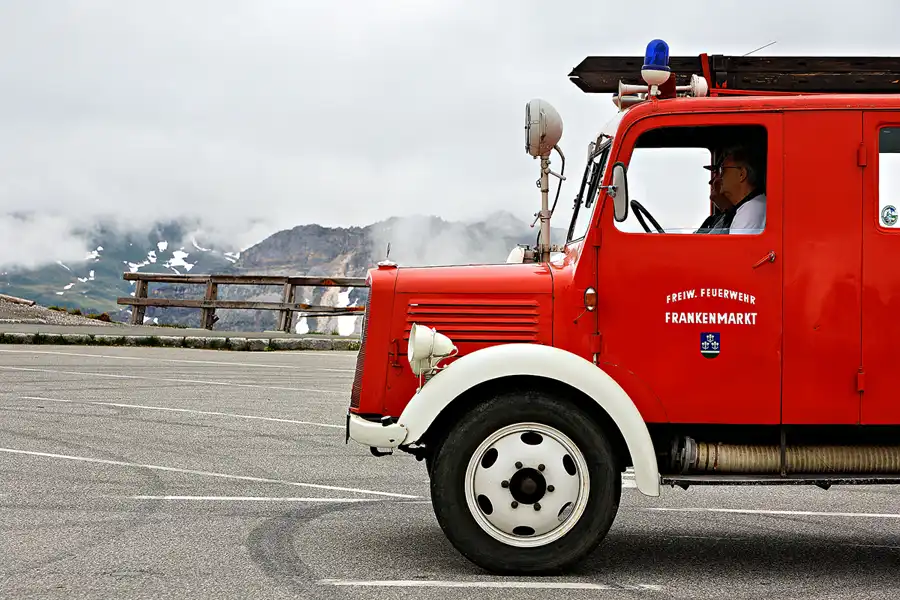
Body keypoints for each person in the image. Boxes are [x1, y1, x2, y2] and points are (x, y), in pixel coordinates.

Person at [716, 146, 766, 234]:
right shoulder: (752, 205)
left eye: (723, 170)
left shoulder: (750, 210)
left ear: (742, 174)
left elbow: (735, 247)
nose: (719, 177)